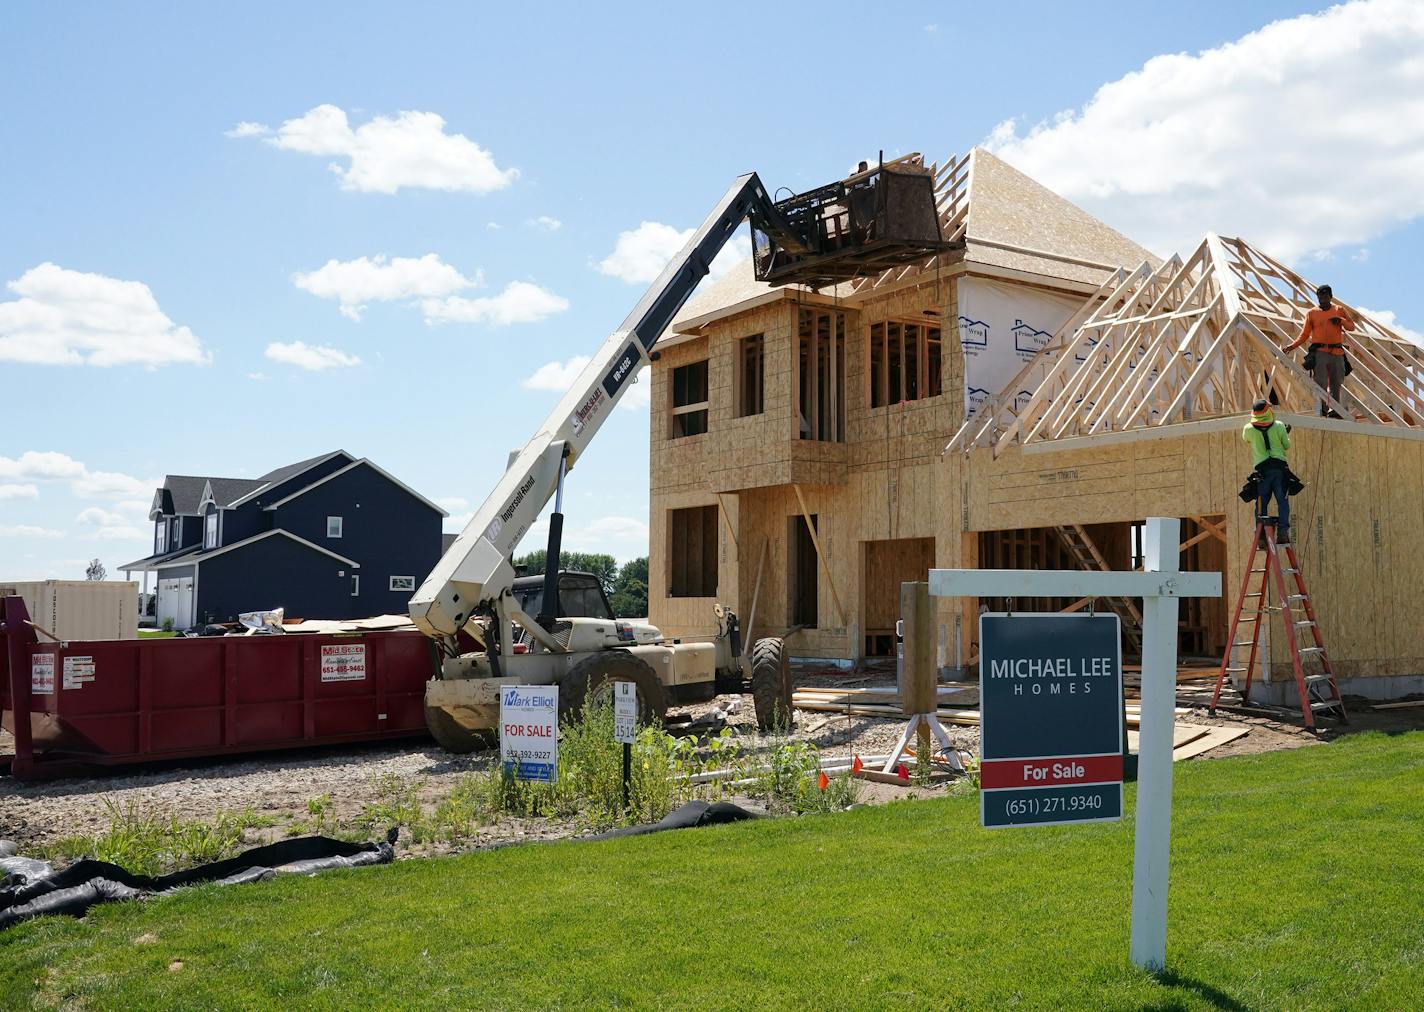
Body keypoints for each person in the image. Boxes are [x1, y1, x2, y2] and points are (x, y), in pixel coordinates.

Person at [1284, 284, 1355, 417]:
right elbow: (1304, 334)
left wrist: (1341, 321)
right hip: (1320, 351)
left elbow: (1352, 327)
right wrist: (1292, 346)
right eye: (1320, 297)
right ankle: (1322, 409)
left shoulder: (1339, 310)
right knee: (1320, 381)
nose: (1322, 299)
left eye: (1325, 296)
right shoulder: (1312, 313)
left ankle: (1334, 409)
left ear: (1330, 297)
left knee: (1336, 381)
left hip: (1337, 352)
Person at [1243, 399, 1292, 543]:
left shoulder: (1248, 428)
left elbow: (1246, 439)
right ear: (1267, 411)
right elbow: (1286, 445)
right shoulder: (1279, 426)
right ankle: (1282, 533)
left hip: (1262, 472)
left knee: (1261, 504)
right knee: (1282, 501)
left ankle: (1261, 537)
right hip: (1279, 470)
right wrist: (1284, 433)